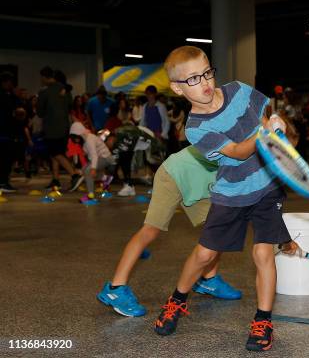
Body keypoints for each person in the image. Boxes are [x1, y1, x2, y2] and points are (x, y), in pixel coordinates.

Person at [154, 45, 291, 352]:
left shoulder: (239, 91)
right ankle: (177, 300)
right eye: (192, 79)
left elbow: (267, 112)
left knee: (263, 254)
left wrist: (277, 121)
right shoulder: (196, 128)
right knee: (204, 255)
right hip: (231, 193)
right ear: (177, 88)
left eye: (206, 73)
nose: (203, 83)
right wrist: (264, 133)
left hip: (267, 186)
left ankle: (263, 321)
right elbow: (240, 152)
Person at [97, 145, 241, 317]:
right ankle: (115, 289)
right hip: (174, 173)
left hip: (202, 179)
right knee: (150, 230)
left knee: (217, 227)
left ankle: (208, 279)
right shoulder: (237, 129)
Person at [37, 67, 81, 190]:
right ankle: (56, 179)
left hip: (51, 128)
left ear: (44, 77)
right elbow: (70, 106)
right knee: (56, 153)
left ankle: (74, 175)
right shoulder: (65, 89)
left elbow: (40, 112)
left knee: (56, 153)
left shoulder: (44, 92)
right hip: (64, 126)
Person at [68, 122, 116, 202]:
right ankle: (105, 179)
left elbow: (94, 155)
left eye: (76, 137)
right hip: (101, 157)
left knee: (88, 171)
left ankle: (91, 195)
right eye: (74, 138)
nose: (75, 140)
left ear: (80, 134)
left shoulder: (89, 139)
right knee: (84, 170)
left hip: (106, 158)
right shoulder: (84, 140)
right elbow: (90, 155)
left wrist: (93, 168)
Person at [0, 72, 20, 192]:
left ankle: (4, 181)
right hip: (4, 132)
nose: (12, 85)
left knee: (7, 158)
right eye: (10, 83)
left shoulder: (8, 95)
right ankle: (2, 182)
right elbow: (14, 113)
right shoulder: (4, 96)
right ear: (5, 82)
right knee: (5, 158)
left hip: (7, 132)